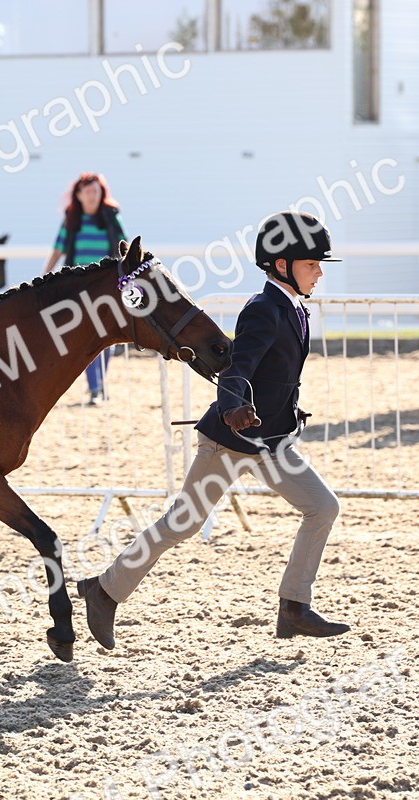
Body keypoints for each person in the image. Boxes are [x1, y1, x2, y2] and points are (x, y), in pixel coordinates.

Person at [78, 211, 350, 648]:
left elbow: (277, 376)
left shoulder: (294, 308)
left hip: (271, 442)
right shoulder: (264, 310)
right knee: (181, 524)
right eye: (312, 264)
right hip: (230, 443)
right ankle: (103, 590)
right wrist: (234, 408)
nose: (319, 272)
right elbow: (237, 370)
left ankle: (294, 607)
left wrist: (287, 412)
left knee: (323, 507)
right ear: (282, 265)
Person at [43, 173, 126, 405]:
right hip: (79, 287)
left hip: (107, 287)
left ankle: (100, 384)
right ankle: (96, 388)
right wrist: (44, 279)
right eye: (87, 191)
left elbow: (125, 248)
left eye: (96, 191)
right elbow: (58, 250)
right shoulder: (71, 219)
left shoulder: (111, 218)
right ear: (78, 195)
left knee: (106, 337)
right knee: (88, 338)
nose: (92, 196)